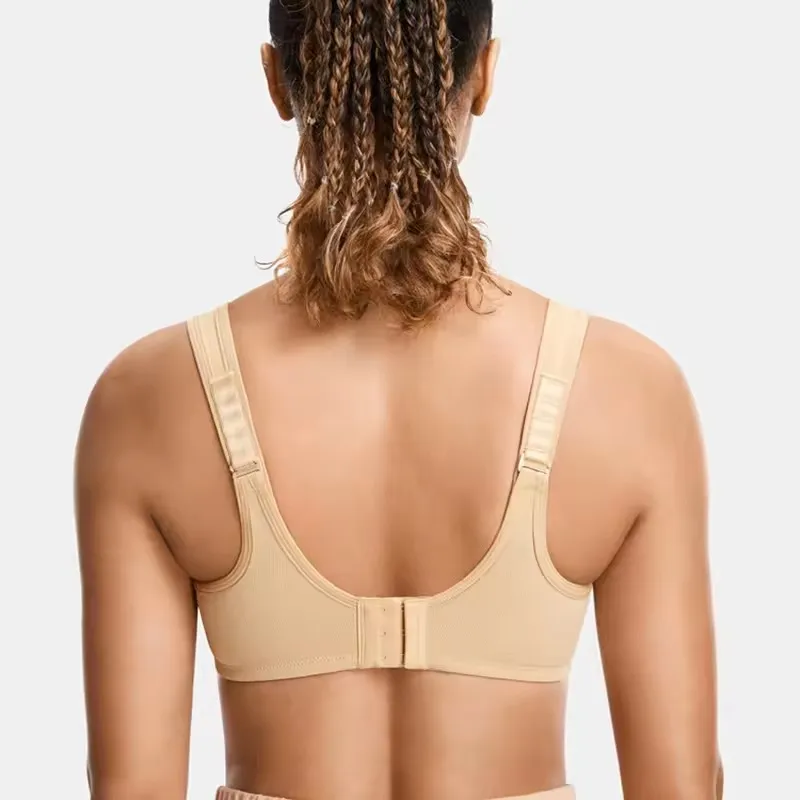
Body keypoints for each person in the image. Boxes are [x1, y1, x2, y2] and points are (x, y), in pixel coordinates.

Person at [75, 1, 724, 798]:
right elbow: (681, 787)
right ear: (483, 76)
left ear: (277, 82)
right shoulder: (625, 393)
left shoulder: (149, 399)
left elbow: (130, 789)